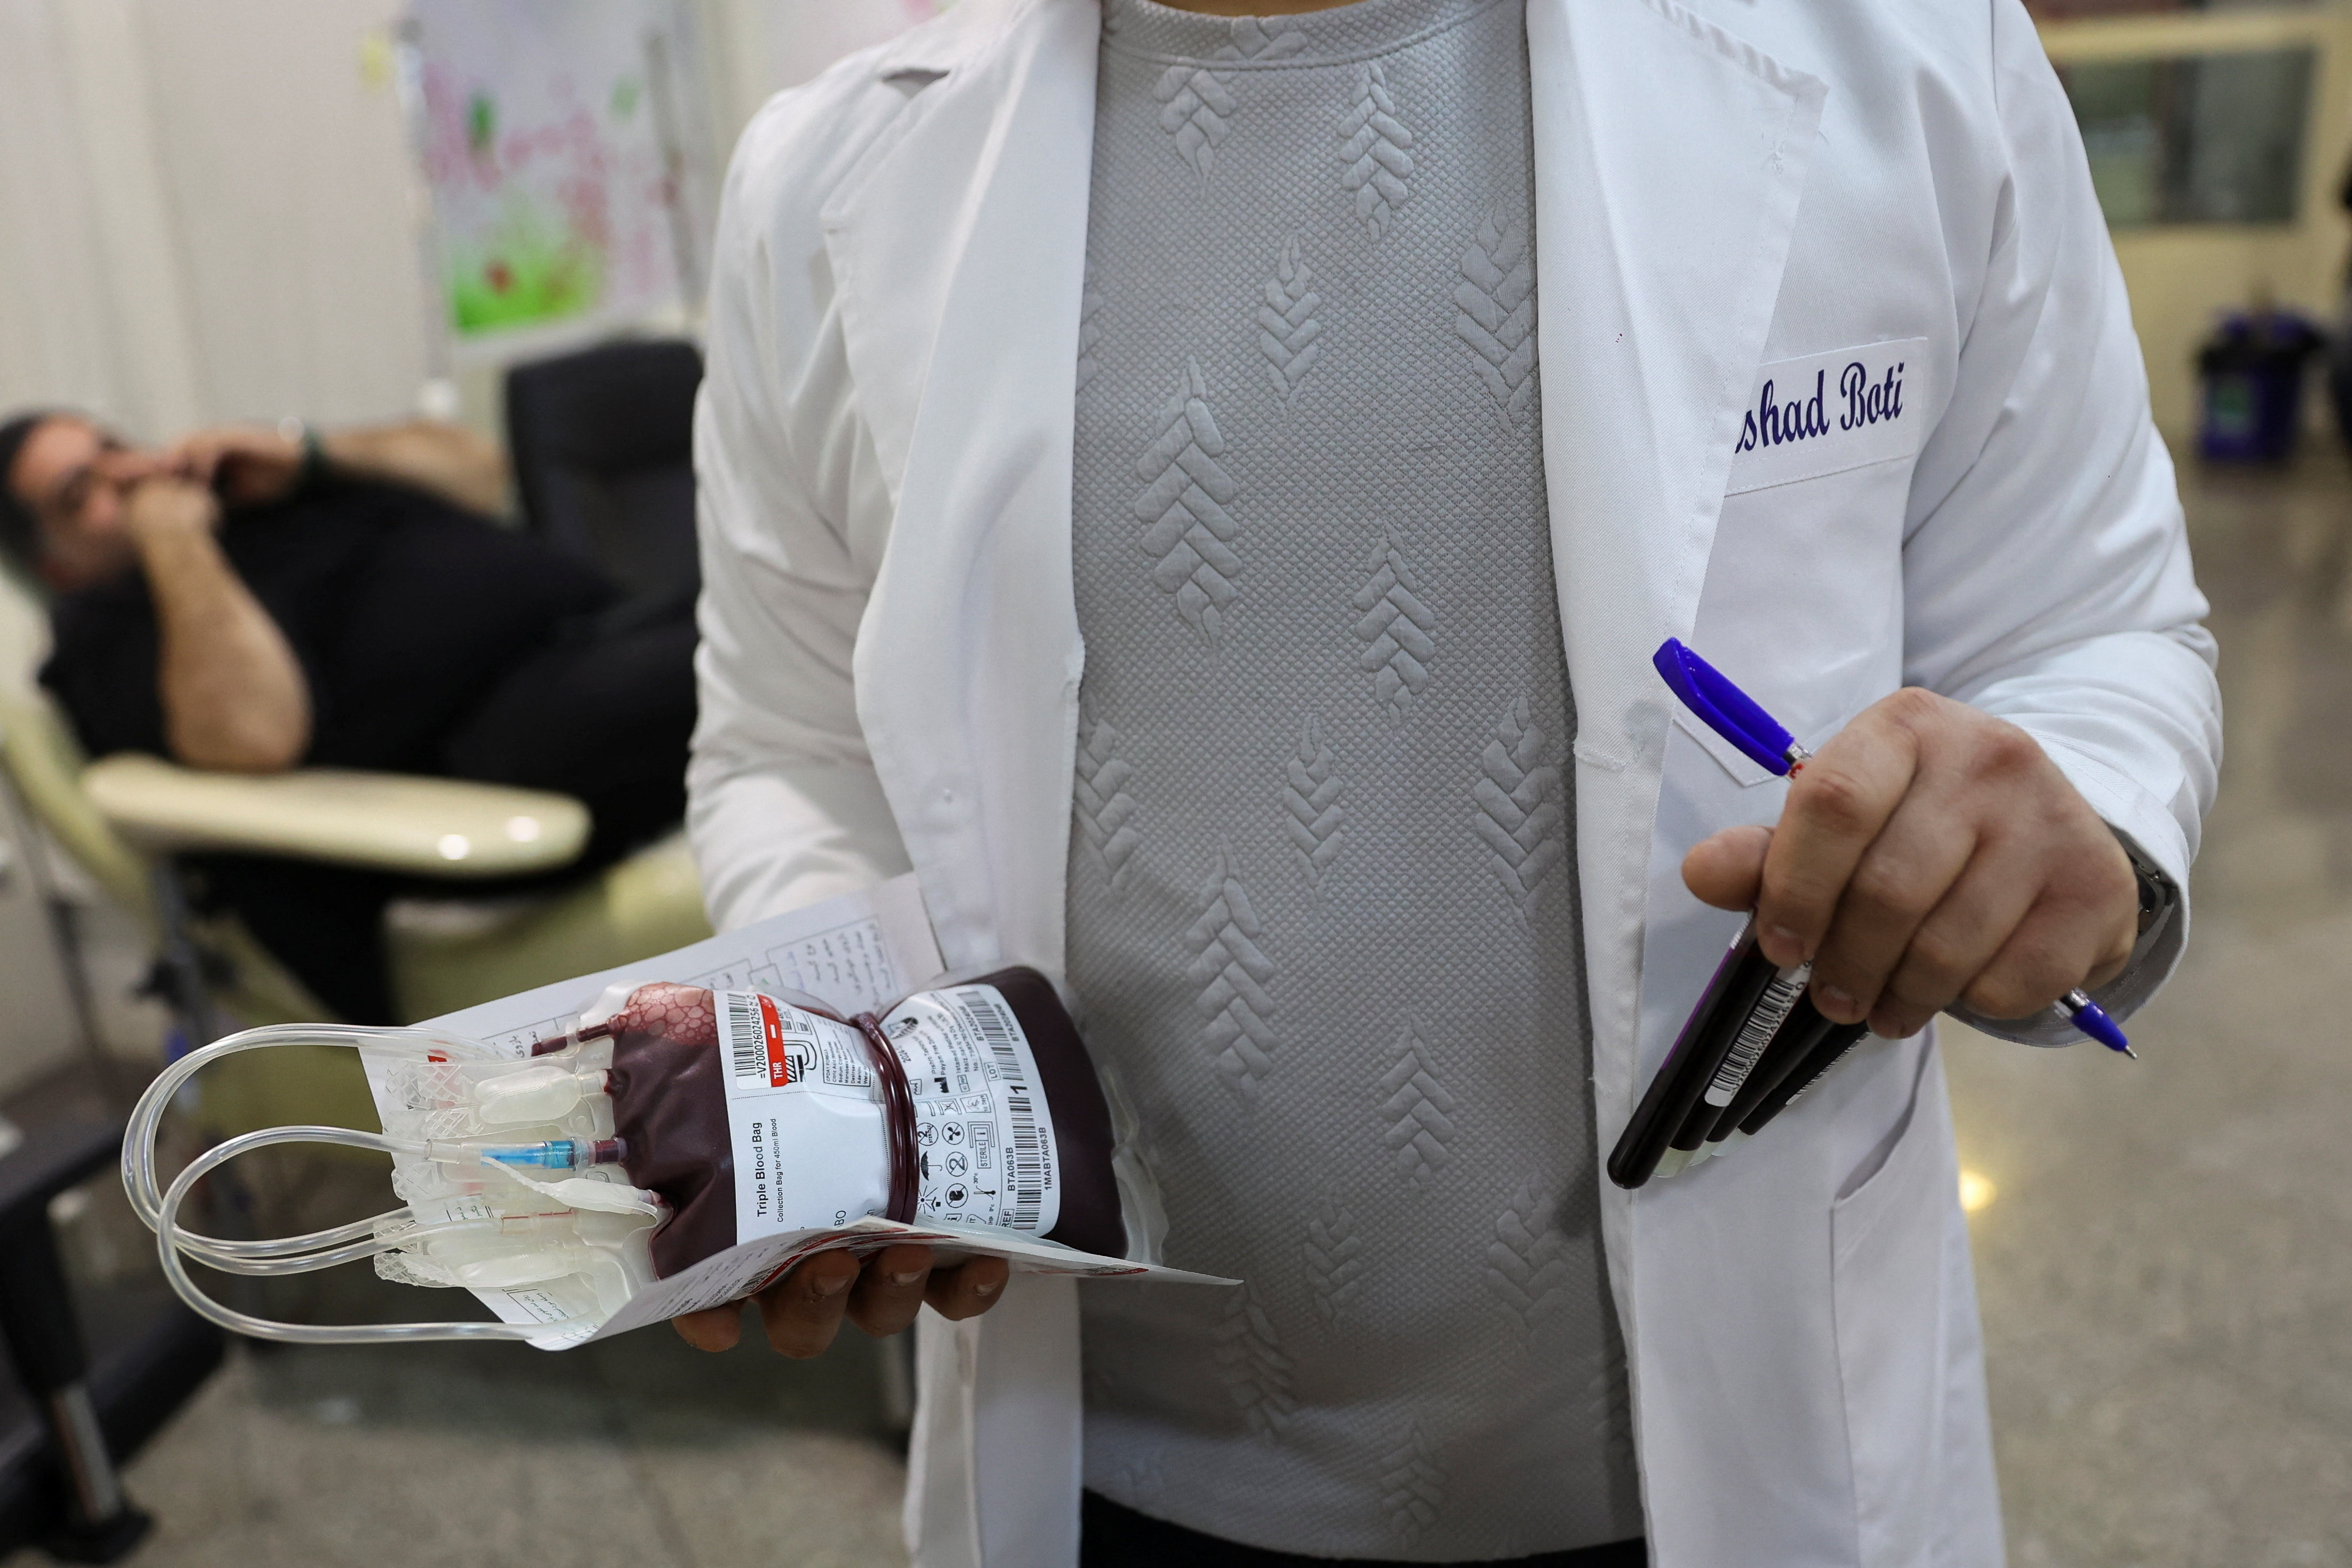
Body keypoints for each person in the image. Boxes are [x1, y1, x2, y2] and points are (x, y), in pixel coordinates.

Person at [676, 0, 2221, 1564]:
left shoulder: (1900, 53)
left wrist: (2070, 825)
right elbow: (786, 748)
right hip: (1109, 1472)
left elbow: (2089, 628)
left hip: (1740, 1455)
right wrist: (846, 1074)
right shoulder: (829, 177)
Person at [0, 411, 698, 1025]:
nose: (126, 474)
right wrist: (173, 540)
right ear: (55, 566)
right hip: (493, 752)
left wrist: (309, 453)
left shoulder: (262, 497)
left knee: (761, 596)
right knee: (737, 655)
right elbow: (254, 734)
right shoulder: (105, 633)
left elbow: (482, 471)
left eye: (112, 447)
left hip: (601, 635)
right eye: (80, 492)